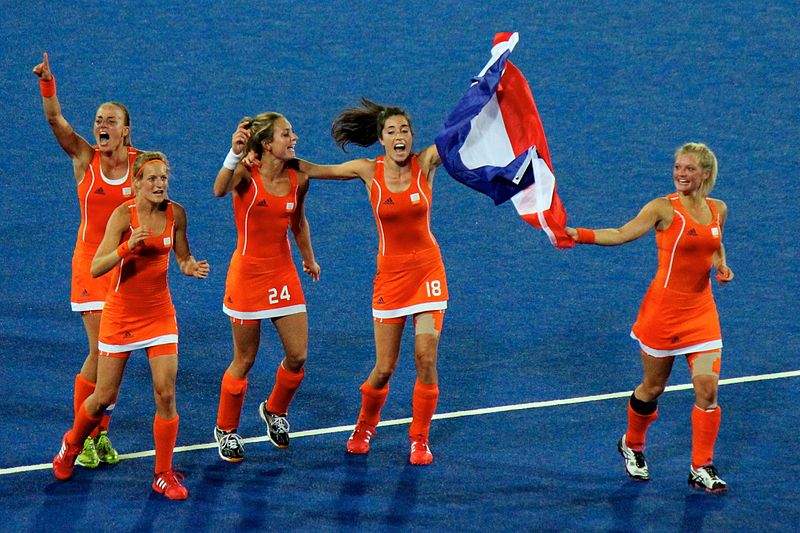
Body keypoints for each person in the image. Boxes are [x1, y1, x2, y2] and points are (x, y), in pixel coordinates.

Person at [566, 142, 733, 493]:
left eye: (688, 169)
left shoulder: (718, 209)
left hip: (702, 313)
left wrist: (720, 264)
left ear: (705, 174)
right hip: (663, 314)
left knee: (708, 389)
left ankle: (701, 466)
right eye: (677, 167)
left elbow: (714, 241)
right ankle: (633, 444)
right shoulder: (663, 208)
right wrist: (579, 235)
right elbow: (622, 233)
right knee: (653, 387)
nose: (680, 174)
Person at [296, 98, 448, 465]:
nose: (400, 136)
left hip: (428, 273)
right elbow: (317, 170)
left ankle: (419, 438)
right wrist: (266, 157)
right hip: (391, 280)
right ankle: (365, 425)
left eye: (405, 130)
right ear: (381, 138)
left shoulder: (426, 162)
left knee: (426, 359)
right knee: (385, 368)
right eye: (392, 131)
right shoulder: (368, 170)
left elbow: (461, 130)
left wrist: (490, 90)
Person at [52, 152, 210, 500]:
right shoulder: (123, 216)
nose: (159, 185)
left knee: (166, 392)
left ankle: (163, 474)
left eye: (164, 178)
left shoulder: (176, 214)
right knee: (103, 396)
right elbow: (97, 267)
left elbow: (181, 254)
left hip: (159, 314)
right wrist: (127, 246)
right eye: (152, 179)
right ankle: (72, 444)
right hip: (121, 315)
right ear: (136, 183)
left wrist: (188, 266)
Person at [33, 52, 137, 468]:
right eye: (98, 120)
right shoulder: (84, 158)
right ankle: (83, 436)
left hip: (127, 271)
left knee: (114, 357)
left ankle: (98, 434)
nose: (102, 126)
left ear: (127, 130)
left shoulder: (143, 166)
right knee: (100, 351)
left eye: (111, 120)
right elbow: (56, 122)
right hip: (91, 269)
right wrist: (47, 84)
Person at [212, 114, 320, 462]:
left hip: (283, 274)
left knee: (298, 354)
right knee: (244, 359)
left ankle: (274, 410)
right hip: (247, 279)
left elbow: (298, 221)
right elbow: (218, 188)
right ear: (267, 144)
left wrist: (308, 258)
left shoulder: (297, 179)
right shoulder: (246, 174)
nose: (294, 138)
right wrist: (233, 153)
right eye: (286, 134)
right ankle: (226, 429)